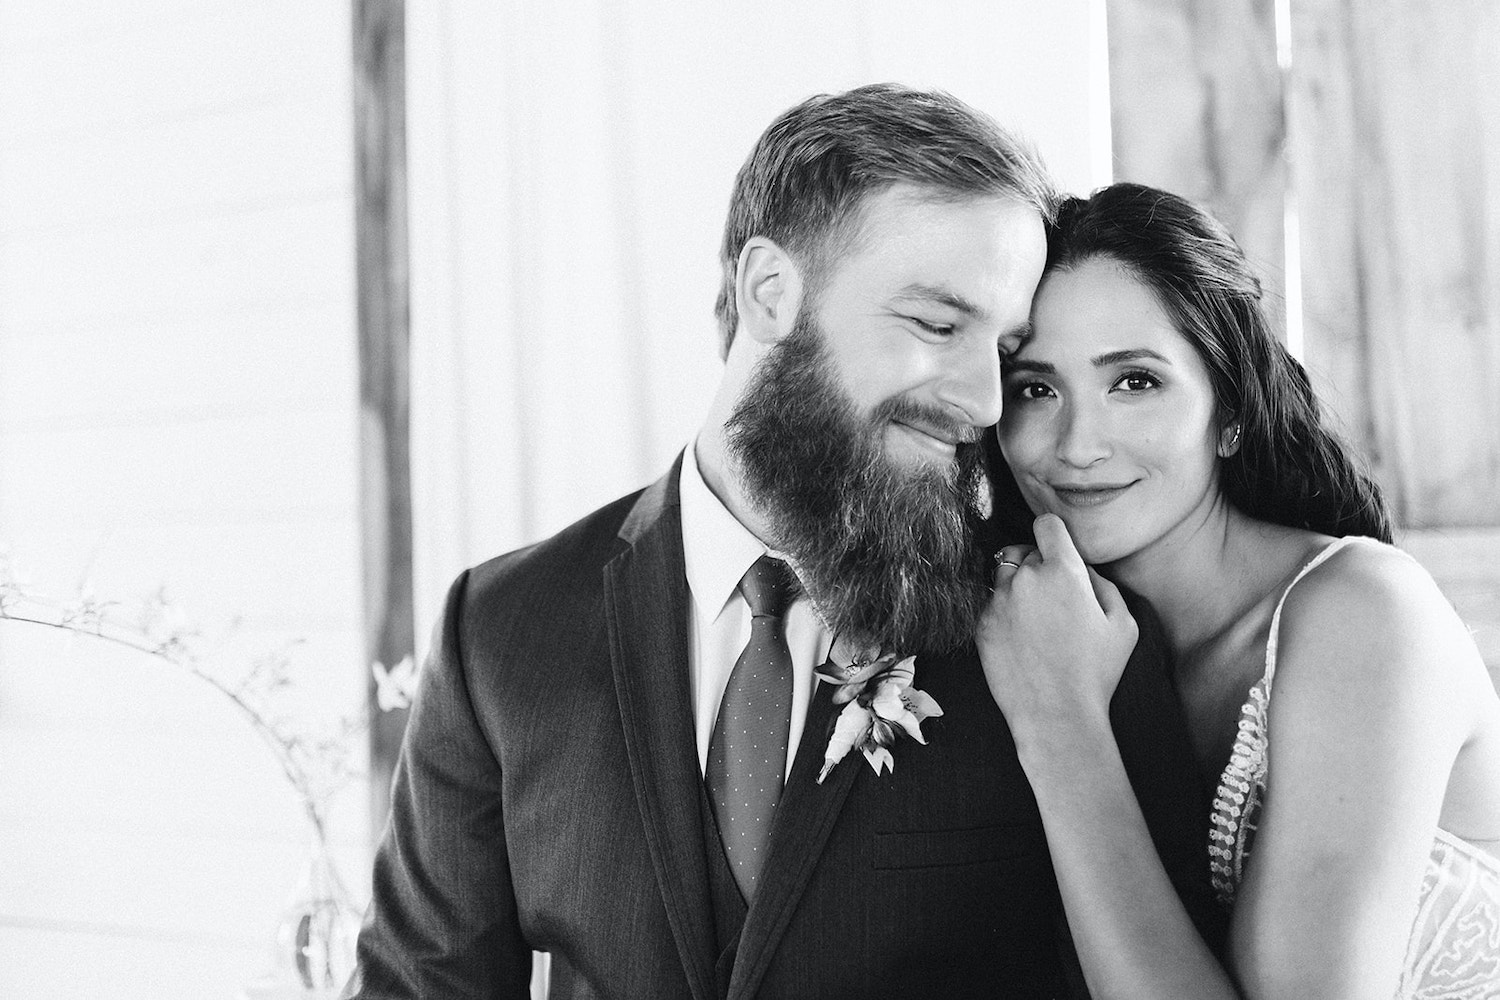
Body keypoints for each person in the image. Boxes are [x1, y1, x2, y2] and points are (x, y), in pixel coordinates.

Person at [344, 89, 1218, 1000]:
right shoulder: (497, 630)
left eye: (1002, 351)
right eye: (937, 324)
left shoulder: (1066, 634)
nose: (983, 402)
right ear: (771, 291)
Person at [979, 181, 1500, 999]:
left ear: (1230, 410)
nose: (1078, 445)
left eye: (1135, 381)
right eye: (1035, 389)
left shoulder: (1361, 610)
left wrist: (1060, 727)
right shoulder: (1034, 629)